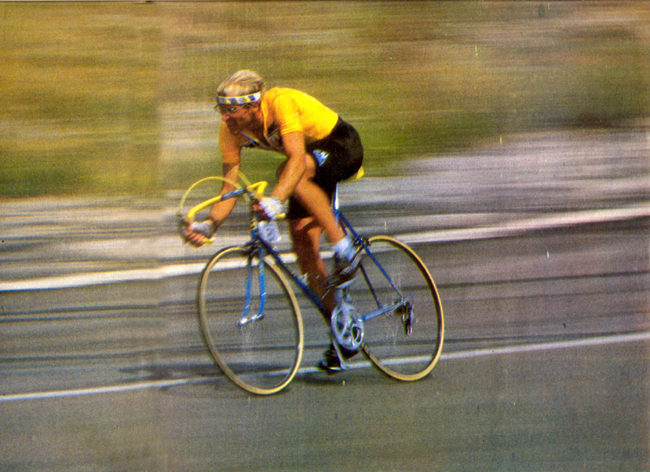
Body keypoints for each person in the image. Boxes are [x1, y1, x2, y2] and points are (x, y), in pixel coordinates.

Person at [183, 70, 364, 372]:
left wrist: (274, 202)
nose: (225, 118)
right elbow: (228, 189)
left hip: (341, 146)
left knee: (289, 173)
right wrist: (209, 225)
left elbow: (295, 159)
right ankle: (343, 326)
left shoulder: (280, 103)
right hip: (306, 166)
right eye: (222, 110)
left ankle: (345, 248)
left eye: (232, 110)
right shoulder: (229, 131)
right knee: (304, 249)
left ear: (254, 106)